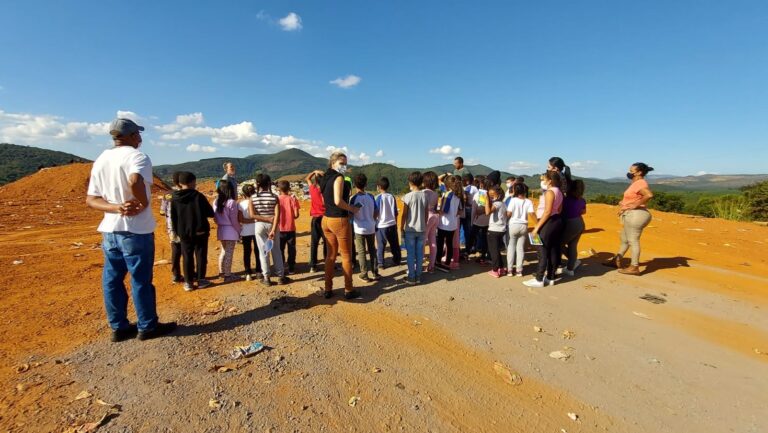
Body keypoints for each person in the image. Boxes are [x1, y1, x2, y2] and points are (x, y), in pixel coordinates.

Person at [86, 117, 176, 341]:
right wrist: (141, 203)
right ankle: (147, 326)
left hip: (110, 229)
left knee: (112, 279)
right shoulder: (138, 157)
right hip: (136, 230)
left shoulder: (101, 159)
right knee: (140, 279)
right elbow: (135, 180)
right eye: (138, 134)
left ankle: (118, 326)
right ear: (130, 136)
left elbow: (91, 199)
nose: (140, 138)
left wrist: (115, 207)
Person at [319, 152, 360, 299]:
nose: (344, 166)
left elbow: (325, 201)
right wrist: (352, 209)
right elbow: (338, 201)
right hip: (339, 220)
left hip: (326, 219)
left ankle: (328, 288)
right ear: (333, 163)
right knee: (346, 256)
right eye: (341, 163)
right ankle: (348, 289)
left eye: (345, 163)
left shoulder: (325, 178)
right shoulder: (339, 178)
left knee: (330, 255)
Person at [605, 163, 655, 275]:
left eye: (632, 170)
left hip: (636, 214)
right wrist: (625, 204)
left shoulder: (640, 183)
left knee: (633, 240)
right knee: (624, 238)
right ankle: (616, 260)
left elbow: (649, 195)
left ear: (639, 172)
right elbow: (634, 198)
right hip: (633, 214)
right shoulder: (636, 183)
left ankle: (634, 267)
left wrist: (634, 205)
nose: (629, 172)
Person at [170, 171, 214, 291]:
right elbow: (210, 213)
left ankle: (188, 282)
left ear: (180, 183)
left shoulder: (174, 198)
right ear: (192, 182)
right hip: (200, 231)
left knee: (187, 256)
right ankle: (201, 280)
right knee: (200, 255)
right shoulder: (198, 196)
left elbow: (173, 217)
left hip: (183, 233)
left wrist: (176, 231)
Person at [523, 171, 564, 287]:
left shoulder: (550, 192)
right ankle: (550, 277)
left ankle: (539, 278)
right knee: (552, 250)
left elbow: (547, 211)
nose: (543, 181)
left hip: (548, 221)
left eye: (545, 179)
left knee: (542, 249)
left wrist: (537, 227)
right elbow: (559, 209)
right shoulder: (559, 192)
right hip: (556, 221)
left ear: (550, 180)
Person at [248, 174, 289, 286]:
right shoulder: (274, 197)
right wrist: (273, 229)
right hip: (273, 225)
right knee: (277, 251)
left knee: (263, 252)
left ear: (257, 184)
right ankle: (280, 277)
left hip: (259, 225)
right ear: (268, 183)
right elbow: (277, 215)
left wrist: (264, 218)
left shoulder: (253, 198)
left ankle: (267, 278)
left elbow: (252, 215)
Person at [350, 173, 380, 282]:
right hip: (371, 227)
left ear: (354, 184)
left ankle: (364, 274)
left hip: (359, 229)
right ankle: (375, 272)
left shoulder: (353, 198)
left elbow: (350, 214)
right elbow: (376, 211)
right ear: (366, 184)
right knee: (372, 250)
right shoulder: (371, 196)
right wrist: (372, 219)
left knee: (361, 251)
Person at [401, 171, 428, 284]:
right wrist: (424, 224)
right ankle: (418, 276)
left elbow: (404, 214)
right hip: (422, 229)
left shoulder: (408, 196)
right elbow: (426, 213)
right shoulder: (424, 196)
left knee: (411, 254)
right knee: (420, 254)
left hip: (410, 229)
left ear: (410, 182)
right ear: (421, 182)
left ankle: (411, 276)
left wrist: (401, 227)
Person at [213, 180, 242, 283]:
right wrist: (239, 231)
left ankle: (221, 272)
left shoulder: (216, 201)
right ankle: (228, 275)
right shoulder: (232, 202)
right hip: (231, 230)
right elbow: (234, 220)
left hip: (221, 229)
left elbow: (215, 218)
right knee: (229, 253)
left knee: (223, 251)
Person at [505, 183, 535, 277]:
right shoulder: (528, 201)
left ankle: (510, 270)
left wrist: (504, 219)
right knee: (520, 248)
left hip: (513, 225)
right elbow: (532, 214)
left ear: (515, 191)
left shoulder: (513, 200)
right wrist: (538, 223)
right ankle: (519, 270)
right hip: (524, 226)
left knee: (511, 247)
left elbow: (509, 214)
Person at [159, 171, 183, 284]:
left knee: (175, 251)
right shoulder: (186, 193)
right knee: (187, 251)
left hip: (171, 228)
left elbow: (162, 212)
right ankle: (190, 273)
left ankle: (176, 275)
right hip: (185, 227)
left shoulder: (167, 194)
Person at [436, 176, 463, 272]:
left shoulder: (447, 194)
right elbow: (460, 210)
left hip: (444, 224)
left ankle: (438, 261)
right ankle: (448, 262)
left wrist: (436, 211)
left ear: (447, 184)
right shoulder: (458, 195)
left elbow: (444, 210)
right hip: (453, 224)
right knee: (449, 243)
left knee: (440, 243)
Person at [560, 180, 586, 276]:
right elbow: (584, 211)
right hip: (580, 222)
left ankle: (573, 261)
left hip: (570, 224)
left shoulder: (565, 199)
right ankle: (570, 268)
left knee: (558, 243)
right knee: (573, 245)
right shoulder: (582, 200)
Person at [375, 177, 401, 268]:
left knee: (381, 245)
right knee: (394, 244)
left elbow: (376, 212)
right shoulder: (391, 197)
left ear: (378, 187)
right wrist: (395, 223)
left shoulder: (378, 198)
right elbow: (395, 212)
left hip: (381, 226)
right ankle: (397, 259)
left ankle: (381, 263)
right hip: (392, 224)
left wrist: (374, 222)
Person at [238, 184, 262, 280]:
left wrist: (250, 221)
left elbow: (241, 219)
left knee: (247, 251)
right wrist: (255, 220)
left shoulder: (240, 204)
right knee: (258, 250)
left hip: (245, 231)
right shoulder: (257, 202)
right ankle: (258, 271)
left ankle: (248, 272)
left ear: (243, 193)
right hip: (257, 229)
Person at [484, 185, 508, 277]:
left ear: (498, 195)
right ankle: (501, 269)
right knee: (497, 250)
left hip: (494, 230)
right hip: (501, 229)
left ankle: (495, 270)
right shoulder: (503, 204)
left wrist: (487, 201)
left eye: (492, 195)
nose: (490, 197)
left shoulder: (496, 204)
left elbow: (487, 212)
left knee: (493, 251)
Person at [306, 170, 327, 273]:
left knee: (314, 242)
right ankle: (328, 262)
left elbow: (307, 178)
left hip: (315, 218)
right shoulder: (326, 190)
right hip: (325, 218)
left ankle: (313, 265)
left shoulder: (312, 188)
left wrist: (314, 172)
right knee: (327, 242)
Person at [277, 180, 300, 274]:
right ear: (289, 188)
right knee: (291, 248)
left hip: (279, 229)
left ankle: (281, 266)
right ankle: (291, 268)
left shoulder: (276, 199)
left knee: (280, 249)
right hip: (290, 228)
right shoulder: (292, 199)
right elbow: (296, 215)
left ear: (278, 189)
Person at [421, 171, 440, 273]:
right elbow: (436, 207)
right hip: (434, 216)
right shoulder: (436, 194)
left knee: (422, 242)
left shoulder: (423, 193)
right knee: (433, 241)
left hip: (426, 217)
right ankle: (431, 266)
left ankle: (419, 264)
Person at [471, 176, 491, 265]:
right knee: (484, 238)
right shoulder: (491, 194)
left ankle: (477, 253)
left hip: (478, 220)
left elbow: (477, 209)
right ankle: (484, 254)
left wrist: (472, 220)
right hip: (487, 221)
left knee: (475, 237)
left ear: (481, 184)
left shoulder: (480, 194)